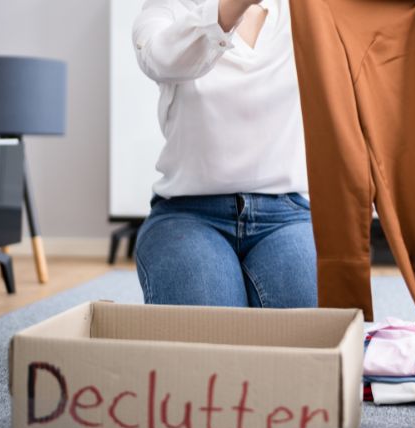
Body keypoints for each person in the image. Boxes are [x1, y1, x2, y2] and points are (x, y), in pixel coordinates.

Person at [131, 0, 316, 309]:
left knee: (310, 332)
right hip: (187, 216)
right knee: (206, 337)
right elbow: (159, 57)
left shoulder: (303, 12)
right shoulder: (168, 9)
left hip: (287, 215)